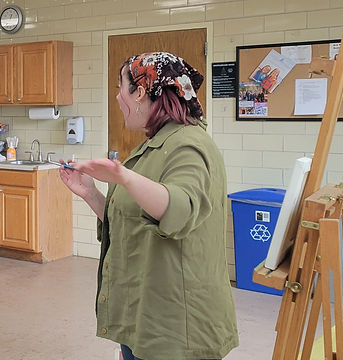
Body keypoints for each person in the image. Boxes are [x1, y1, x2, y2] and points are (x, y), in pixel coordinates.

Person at [58, 52, 238, 359]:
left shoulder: (188, 144)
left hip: (176, 328)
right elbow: (133, 218)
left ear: (140, 92)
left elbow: (179, 209)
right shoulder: (154, 144)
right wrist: (90, 193)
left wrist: (123, 176)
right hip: (145, 314)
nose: (117, 97)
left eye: (121, 87)